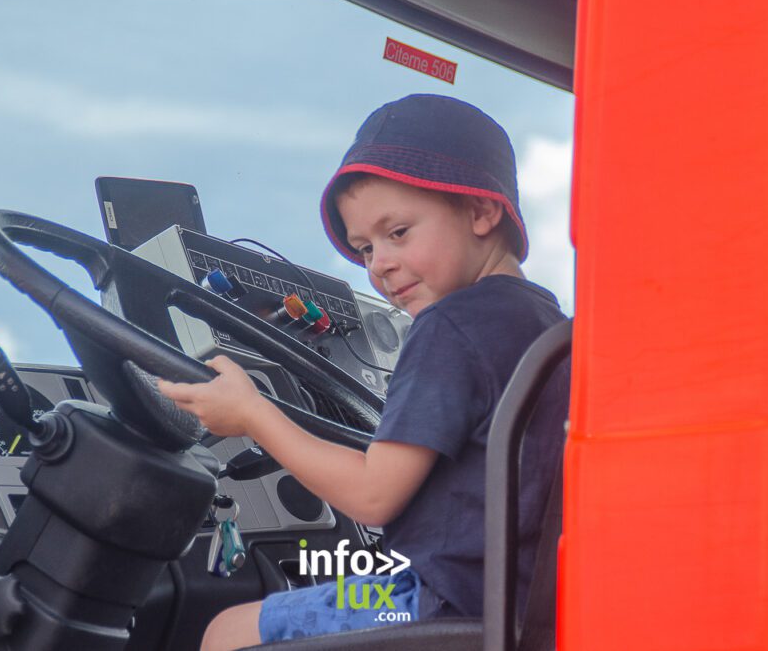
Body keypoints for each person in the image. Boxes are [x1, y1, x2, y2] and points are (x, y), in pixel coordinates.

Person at [158, 94, 569, 650]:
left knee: (227, 630)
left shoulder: (447, 328)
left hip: (432, 600)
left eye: (397, 232)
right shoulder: (548, 325)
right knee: (315, 585)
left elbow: (374, 496)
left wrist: (253, 414)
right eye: (365, 248)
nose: (380, 264)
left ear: (480, 211)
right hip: (519, 601)